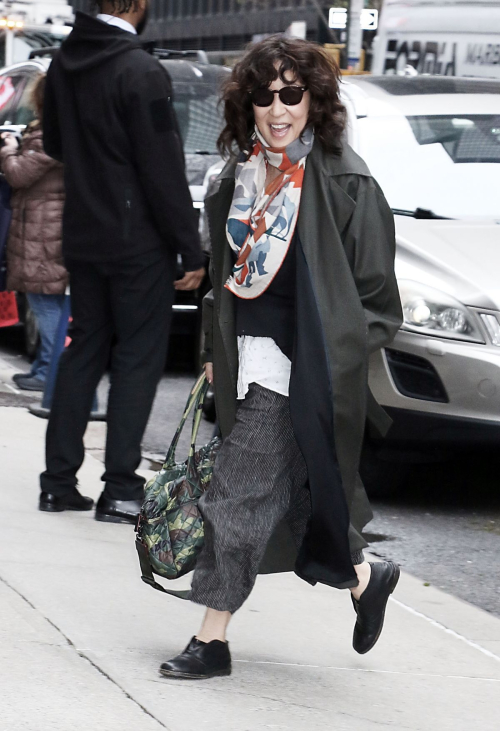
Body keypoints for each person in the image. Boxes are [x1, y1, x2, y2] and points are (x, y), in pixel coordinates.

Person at [159, 36, 404, 680]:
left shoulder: (348, 182)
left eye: (291, 95)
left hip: (301, 373)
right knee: (295, 492)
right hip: (245, 364)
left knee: (236, 500)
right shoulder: (238, 176)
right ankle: (361, 577)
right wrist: (214, 351)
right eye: (264, 97)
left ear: (314, 102)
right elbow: (222, 280)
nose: (277, 110)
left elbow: (379, 300)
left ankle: (210, 640)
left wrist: (336, 361)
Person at [38, 1, 205, 522]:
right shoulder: (140, 70)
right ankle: (121, 488)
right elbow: (162, 166)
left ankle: (57, 483)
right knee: (137, 358)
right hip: (138, 242)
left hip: (85, 230)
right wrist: (190, 246)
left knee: (85, 347)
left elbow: (57, 144)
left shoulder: (65, 62)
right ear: (135, 5)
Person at [0, 74, 67, 393]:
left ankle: (51, 371)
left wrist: (9, 150)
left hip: (44, 229)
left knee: (45, 301)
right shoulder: (58, 131)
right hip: (44, 226)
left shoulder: (51, 136)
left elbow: (18, 174)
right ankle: (45, 367)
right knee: (44, 299)